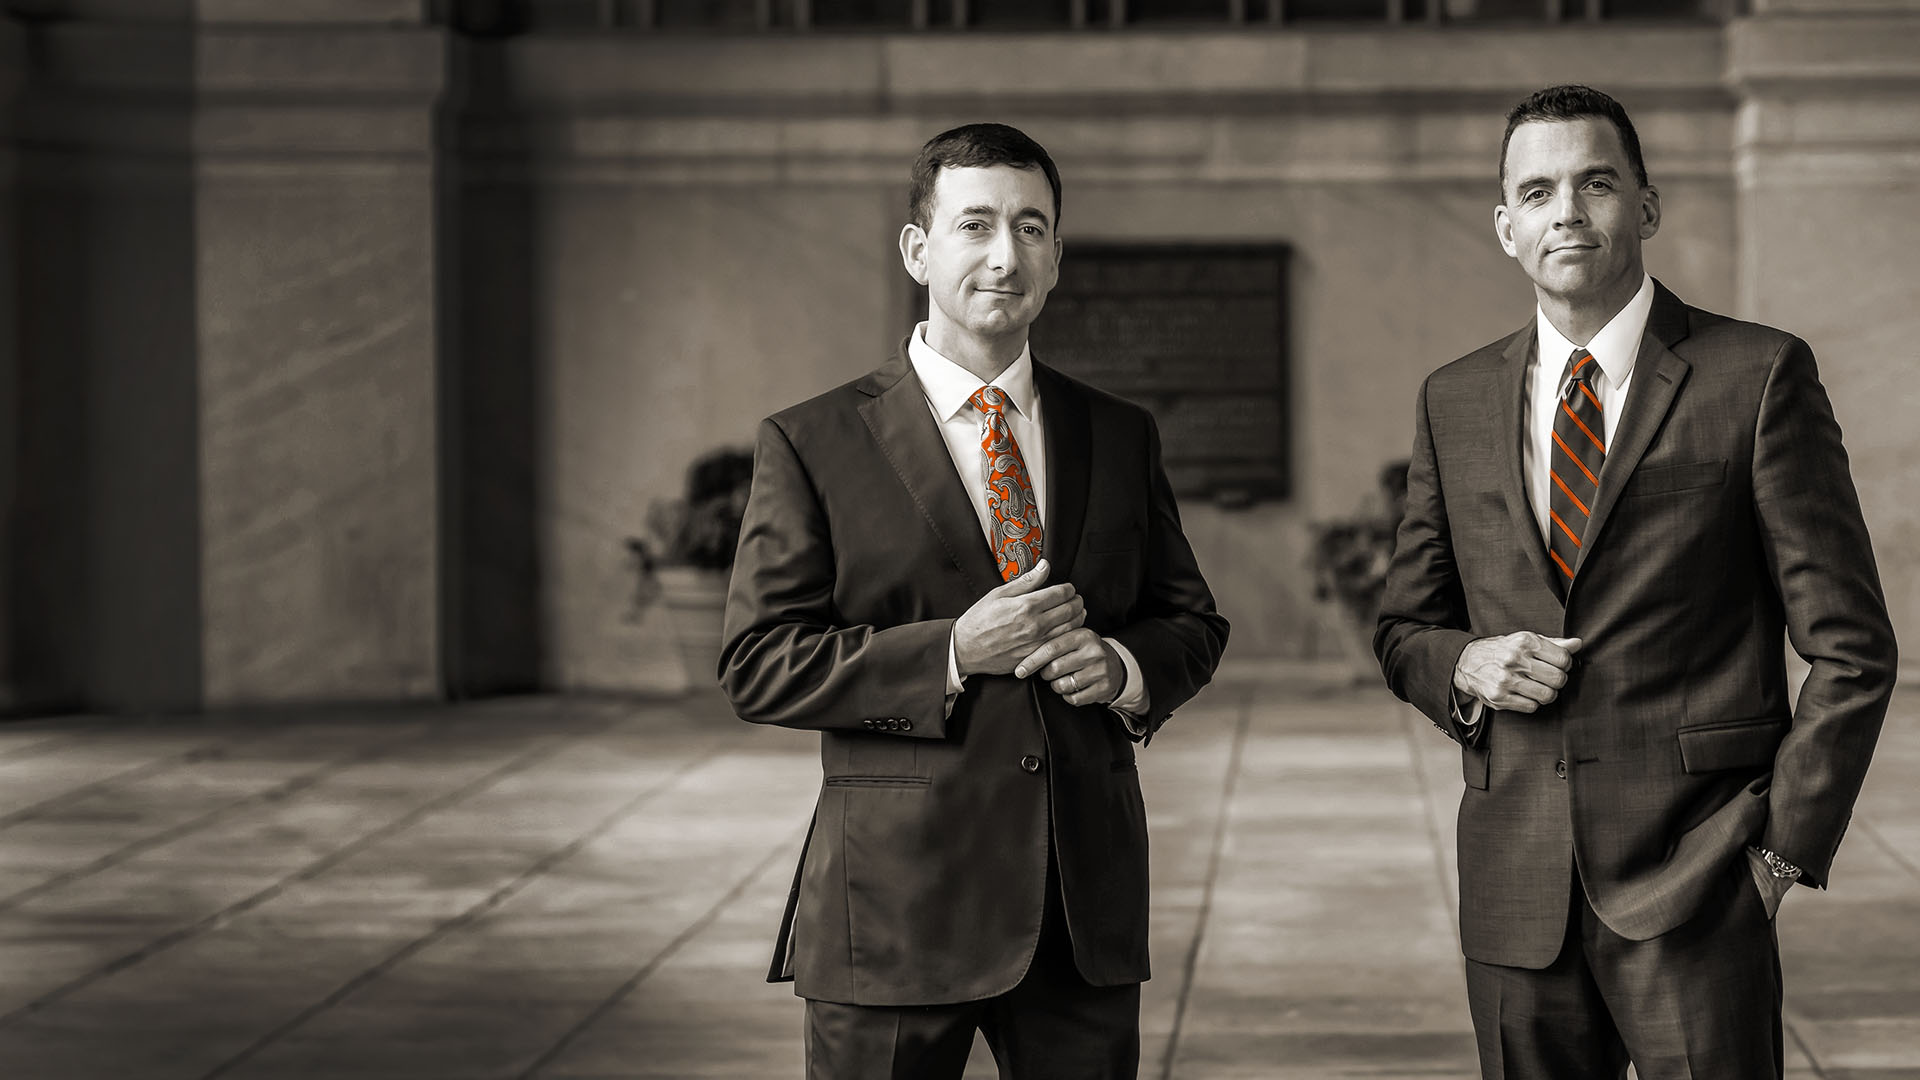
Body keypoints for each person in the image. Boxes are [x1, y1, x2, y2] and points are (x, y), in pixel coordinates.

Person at [1375, 84, 1897, 1079]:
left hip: (1698, 877)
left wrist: (1780, 852)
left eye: (1596, 182)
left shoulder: (1756, 376)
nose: (1566, 211)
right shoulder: (1454, 399)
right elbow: (1406, 627)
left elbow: (1852, 648)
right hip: (1514, 880)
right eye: (1537, 192)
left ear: (1646, 206)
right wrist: (1468, 663)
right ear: (1506, 227)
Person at [720, 122, 1229, 1080]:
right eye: (977, 225)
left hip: (1081, 911)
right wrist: (954, 651)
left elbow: (1191, 621)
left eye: (1032, 228)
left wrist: (1124, 669)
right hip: (895, 910)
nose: (1007, 255)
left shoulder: (1117, 433)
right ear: (919, 249)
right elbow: (757, 664)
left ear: (1057, 255)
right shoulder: (814, 440)